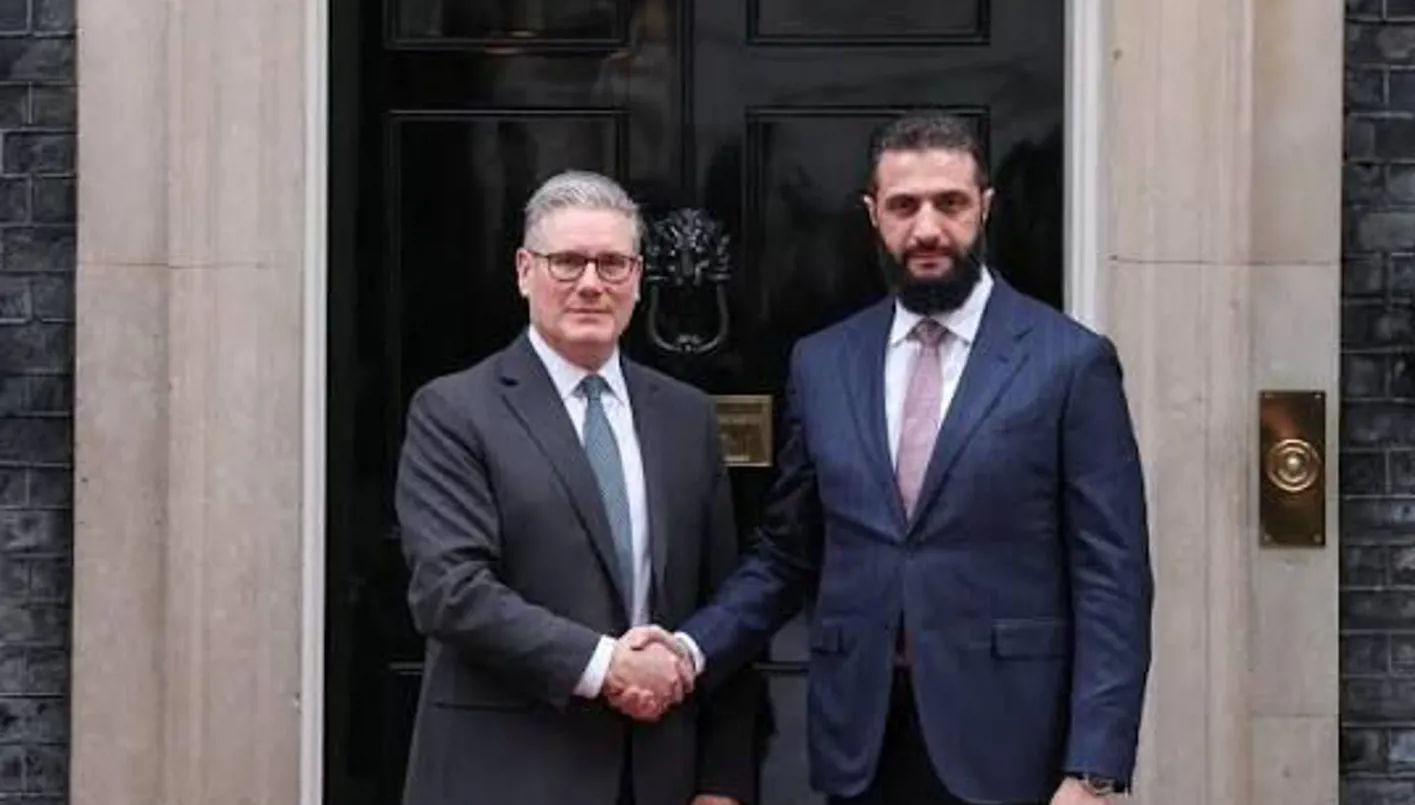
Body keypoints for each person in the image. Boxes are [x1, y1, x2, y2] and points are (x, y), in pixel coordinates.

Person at [649, 112, 1155, 804]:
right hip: (861, 744)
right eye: (903, 206)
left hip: (1013, 749)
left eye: (950, 203)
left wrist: (1093, 771)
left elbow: (1112, 577)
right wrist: (686, 649)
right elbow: (786, 554)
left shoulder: (1069, 363)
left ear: (984, 207)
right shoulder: (823, 363)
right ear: (872, 214)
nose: (926, 229)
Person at [394, 170, 755, 805]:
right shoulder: (455, 411)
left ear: (637, 279)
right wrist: (608, 665)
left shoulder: (686, 416)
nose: (591, 284)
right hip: (507, 774)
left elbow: (719, 599)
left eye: (612, 264)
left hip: (659, 776)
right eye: (567, 262)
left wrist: (722, 781)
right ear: (524, 271)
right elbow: (450, 591)